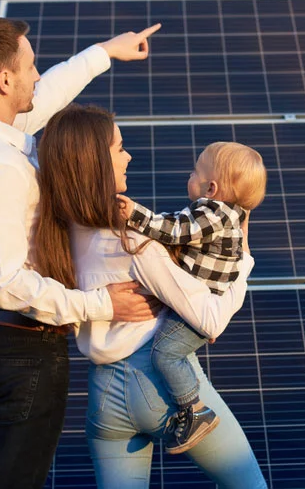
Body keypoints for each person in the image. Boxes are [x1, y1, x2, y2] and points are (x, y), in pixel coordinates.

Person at [0, 17, 163, 489]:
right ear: (3, 80)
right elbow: (4, 281)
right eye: (31, 66)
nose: (38, 75)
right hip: (21, 352)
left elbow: (46, 97)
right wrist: (102, 304)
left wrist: (104, 52)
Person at [32, 105, 268, 488]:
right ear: (95, 161)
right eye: (120, 147)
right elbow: (210, 319)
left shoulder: (54, 235)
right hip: (160, 385)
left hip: (102, 396)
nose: (129, 156)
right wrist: (244, 259)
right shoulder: (133, 241)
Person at [119, 141, 266, 454]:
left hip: (200, 305)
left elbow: (174, 231)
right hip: (202, 301)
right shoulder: (228, 214)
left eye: (194, 171)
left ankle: (194, 409)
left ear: (211, 187)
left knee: (165, 354)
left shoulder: (213, 215)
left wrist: (136, 215)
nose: (189, 175)